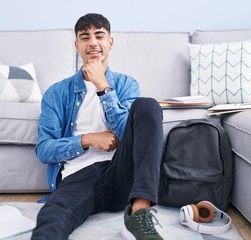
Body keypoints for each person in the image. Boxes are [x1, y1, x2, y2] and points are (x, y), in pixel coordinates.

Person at [31, 13, 164, 240]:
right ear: (77, 45)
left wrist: (102, 86)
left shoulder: (126, 85)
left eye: (99, 35)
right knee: (52, 217)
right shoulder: (56, 93)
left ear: (110, 42)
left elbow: (129, 134)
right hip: (77, 176)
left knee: (149, 106)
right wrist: (88, 139)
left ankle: (139, 214)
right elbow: (44, 149)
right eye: (85, 37)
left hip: (120, 173)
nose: (92, 42)